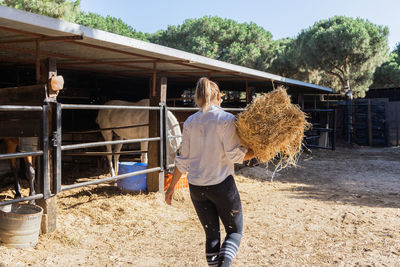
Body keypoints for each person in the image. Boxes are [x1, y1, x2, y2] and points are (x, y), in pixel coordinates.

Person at [165, 77, 254, 267]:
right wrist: (257, 153)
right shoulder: (226, 119)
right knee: (235, 232)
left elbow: (183, 161)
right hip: (221, 184)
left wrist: (171, 187)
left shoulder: (189, 122)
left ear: (197, 98)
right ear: (219, 96)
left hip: (196, 187)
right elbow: (235, 156)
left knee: (212, 234)